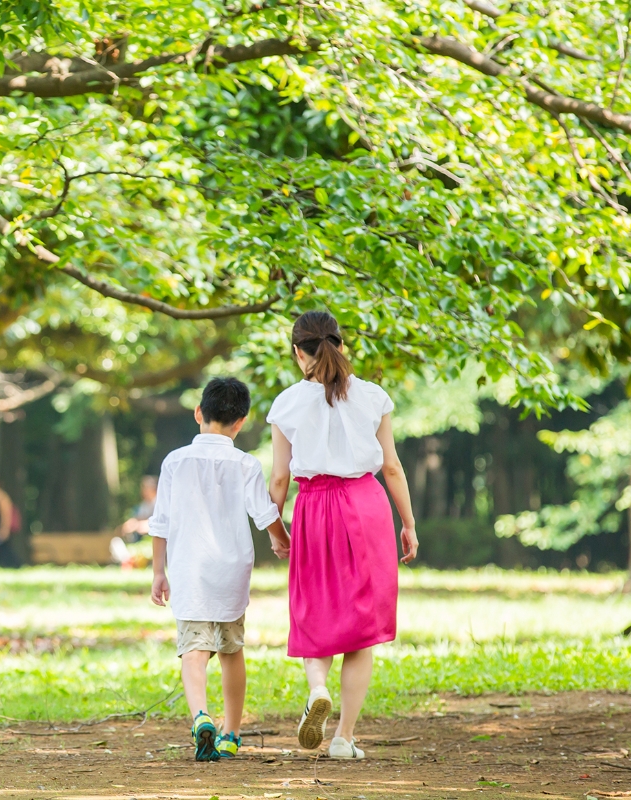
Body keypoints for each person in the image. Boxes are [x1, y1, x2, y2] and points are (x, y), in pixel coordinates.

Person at [266, 311, 418, 760]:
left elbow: (278, 479)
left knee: (315, 609)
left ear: (298, 352)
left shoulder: (287, 403)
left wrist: (276, 529)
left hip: (314, 509)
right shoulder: (373, 397)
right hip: (366, 508)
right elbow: (391, 466)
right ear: (341, 344)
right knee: (361, 629)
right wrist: (407, 523)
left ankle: (317, 689)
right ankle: (344, 738)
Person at [149, 377, 290, 762]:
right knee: (231, 650)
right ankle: (231, 733)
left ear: (199, 413)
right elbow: (265, 513)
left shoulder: (174, 461)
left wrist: (158, 572)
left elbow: (160, 522)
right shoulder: (246, 463)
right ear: (241, 422)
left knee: (194, 650)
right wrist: (281, 539)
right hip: (232, 568)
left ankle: (200, 717)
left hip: (189, 567)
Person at [117, 475, 158, 542]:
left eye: (146, 487)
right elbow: (140, 517)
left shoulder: (159, 503)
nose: (143, 491)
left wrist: (139, 525)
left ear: (153, 488)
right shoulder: (144, 505)